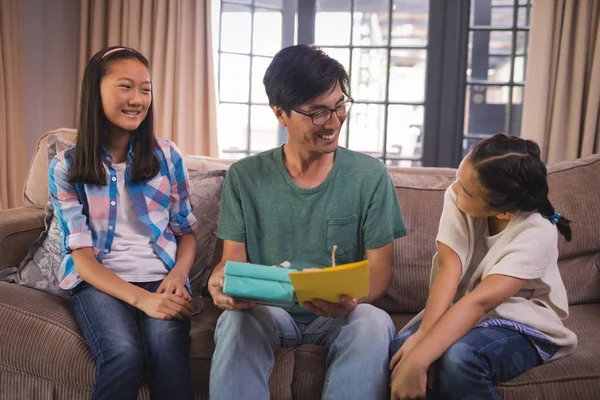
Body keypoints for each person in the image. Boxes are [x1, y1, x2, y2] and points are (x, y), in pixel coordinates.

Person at [208, 44, 407, 400]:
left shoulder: (370, 176)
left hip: (343, 313)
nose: (332, 122)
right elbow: (232, 258)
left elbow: (379, 270)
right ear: (280, 114)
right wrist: (221, 280)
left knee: (374, 322)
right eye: (317, 113)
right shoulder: (245, 177)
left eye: (338, 106)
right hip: (270, 311)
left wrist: (352, 298)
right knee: (235, 320)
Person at [48, 46, 196, 400]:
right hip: (99, 282)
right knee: (123, 355)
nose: (137, 100)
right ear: (95, 91)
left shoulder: (167, 156)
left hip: (162, 276)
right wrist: (142, 301)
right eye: (125, 87)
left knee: (167, 351)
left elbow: (186, 232)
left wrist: (177, 278)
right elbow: (82, 258)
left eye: (145, 89)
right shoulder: (66, 168)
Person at [389, 133, 577, 400]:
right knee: (401, 349)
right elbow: (448, 268)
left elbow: (479, 302)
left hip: (523, 323)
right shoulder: (457, 196)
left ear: (504, 213)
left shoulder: (538, 232)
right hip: (469, 312)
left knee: (459, 357)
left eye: (466, 191)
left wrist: (421, 358)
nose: (455, 189)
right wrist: (420, 340)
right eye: (458, 177)